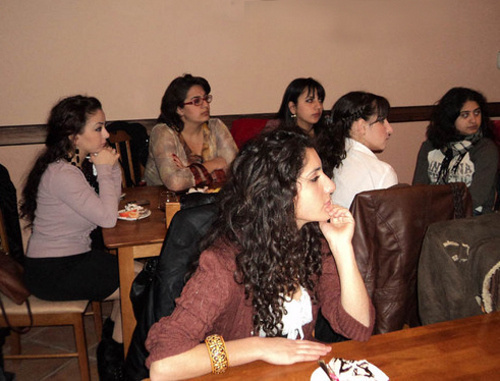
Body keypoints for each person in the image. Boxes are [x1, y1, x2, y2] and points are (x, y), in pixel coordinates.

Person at [145, 129, 375, 380]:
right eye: (314, 178)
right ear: (278, 192)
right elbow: (163, 364)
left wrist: (342, 247)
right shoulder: (225, 263)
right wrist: (259, 348)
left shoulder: (313, 244)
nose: (330, 185)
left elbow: (359, 327)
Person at [20, 95, 125, 380]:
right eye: (98, 128)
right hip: (53, 270)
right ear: (74, 136)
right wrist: (105, 168)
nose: (106, 134)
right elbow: (107, 218)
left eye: (105, 127)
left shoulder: (72, 166)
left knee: (144, 275)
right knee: (139, 282)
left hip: (73, 258)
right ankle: (113, 358)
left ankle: (113, 342)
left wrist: (110, 167)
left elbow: (110, 205)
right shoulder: (62, 174)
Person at [144, 74, 238, 192]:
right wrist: (213, 164)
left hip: (209, 201)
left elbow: (237, 171)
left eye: (206, 99)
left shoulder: (216, 127)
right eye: (197, 101)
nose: (205, 105)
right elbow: (176, 183)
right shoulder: (162, 133)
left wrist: (189, 171)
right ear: (179, 109)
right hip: (165, 203)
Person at [412, 87, 498, 215]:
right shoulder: (430, 146)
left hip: (473, 216)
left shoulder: (485, 148)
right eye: (465, 115)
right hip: (433, 213)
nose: (473, 120)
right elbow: (419, 189)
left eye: (477, 113)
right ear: (450, 118)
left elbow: (476, 198)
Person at [316, 91, 398, 209]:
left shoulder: (325, 159)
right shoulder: (382, 173)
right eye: (381, 120)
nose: (390, 129)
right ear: (361, 126)